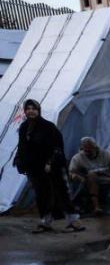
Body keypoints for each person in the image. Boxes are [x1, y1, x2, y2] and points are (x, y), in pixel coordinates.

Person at [13, 99, 84, 232]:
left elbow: (57, 147)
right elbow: (22, 146)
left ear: (38, 110)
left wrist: (50, 162)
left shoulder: (48, 127)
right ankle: (46, 221)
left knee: (61, 192)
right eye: (28, 109)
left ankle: (74, 221)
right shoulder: (24, 127)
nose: (31, 111)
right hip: (35, 167)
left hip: (53, 165)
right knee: (42, 194)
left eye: (33, 108)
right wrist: (18, 159)